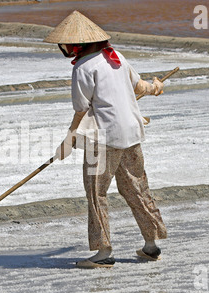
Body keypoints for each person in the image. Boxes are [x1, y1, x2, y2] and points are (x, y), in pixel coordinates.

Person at [44, 11, 168, 268]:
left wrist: (69, 138)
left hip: (102, 140)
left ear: (77, 44)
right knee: (136, 188)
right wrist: (155, 87)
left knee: (96, 193)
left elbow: (81, 109)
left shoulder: (83, 67)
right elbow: (138, 86)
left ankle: (104, 252)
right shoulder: (116, 57)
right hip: (131, 134)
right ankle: (151, 245)